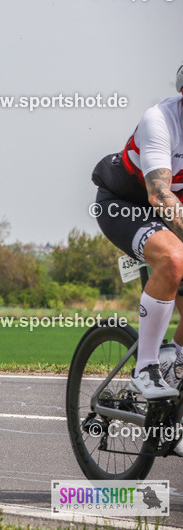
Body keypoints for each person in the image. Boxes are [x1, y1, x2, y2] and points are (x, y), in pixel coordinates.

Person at [91, 65, 183, 400]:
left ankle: (173, 378)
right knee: (174, 258)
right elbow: (159, 194)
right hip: (124, 205)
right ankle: (145, 369)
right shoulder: (159, 119)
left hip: (172, 211)